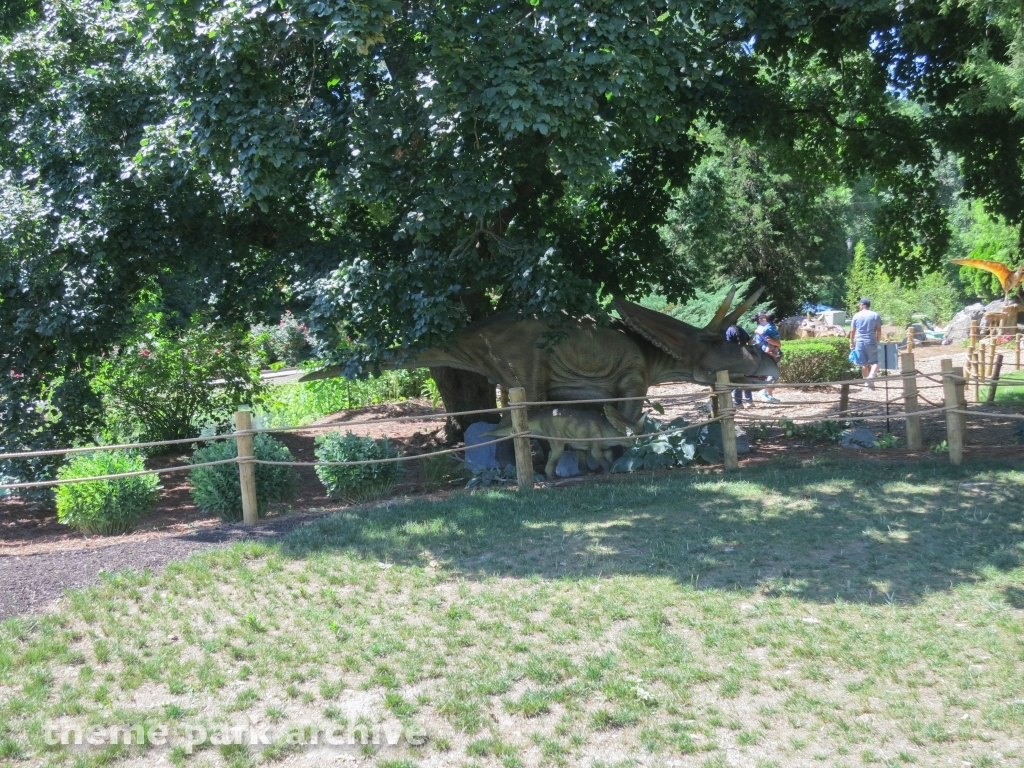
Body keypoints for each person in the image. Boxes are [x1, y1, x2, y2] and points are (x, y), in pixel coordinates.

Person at [849, 297, 882, 388]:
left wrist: (851, 342)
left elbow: (852, 331)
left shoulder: (856, 316)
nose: (859, 306)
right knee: (877, 361)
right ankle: (871, 376)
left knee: (864, 363)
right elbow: (878, 330)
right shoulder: (875, 315)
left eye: (860, 304)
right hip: (871, 340)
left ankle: (867, 383)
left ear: (862, 305)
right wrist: (878, 341)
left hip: (859, 341)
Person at [754, 312, 782, 403]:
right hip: (765, 355)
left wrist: (777, 345)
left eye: (763, 318)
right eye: (760, 318)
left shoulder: (767, 327)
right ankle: (765, 393)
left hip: (766, 354)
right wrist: (778, 344)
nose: (761, 319)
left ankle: (768, 394)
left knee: (771, 375)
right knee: (771, 374)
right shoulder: (762, 328)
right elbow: (768, 339)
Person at [725, 323, 754, 407]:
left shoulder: (728, 331)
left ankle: (738, 403)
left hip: (734, 359)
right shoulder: (742, 329)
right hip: (745, 357)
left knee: (736, 380)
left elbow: (727, 345)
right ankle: (749, 401)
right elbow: (751, 342)